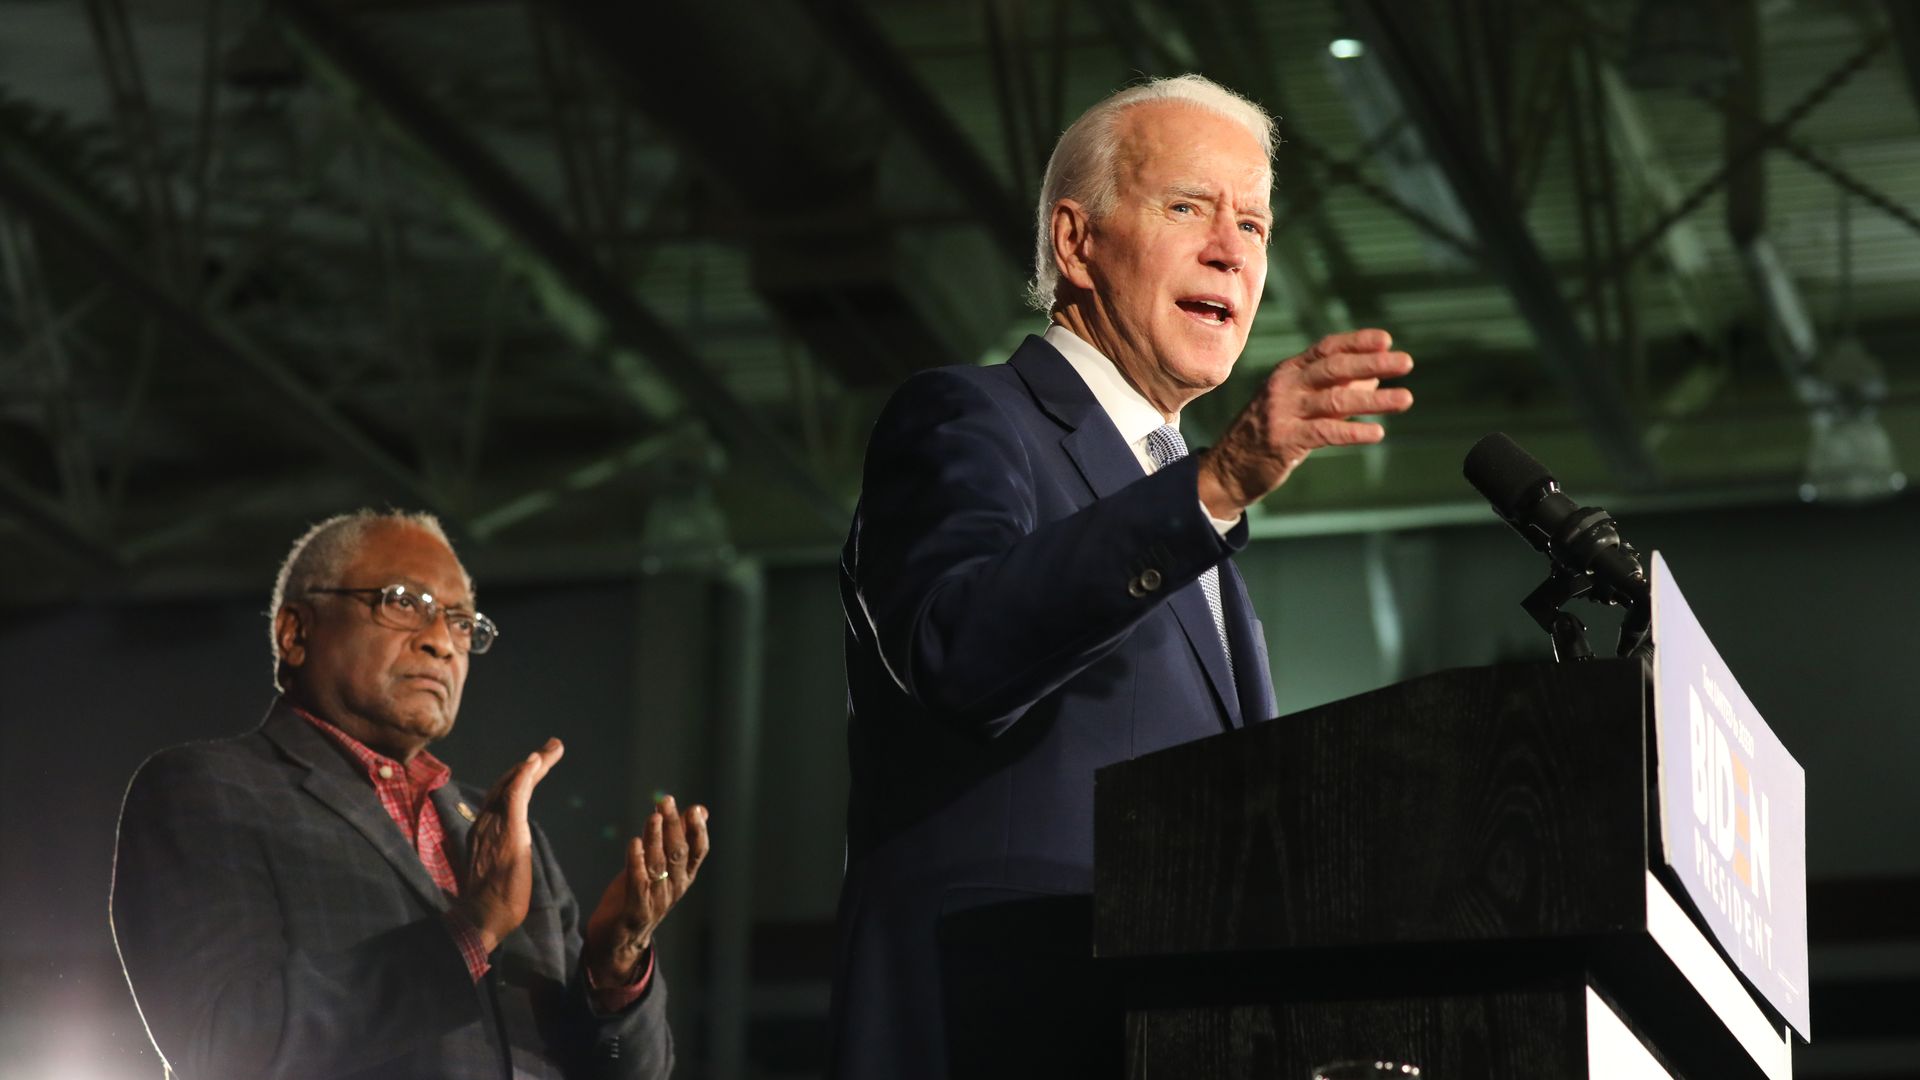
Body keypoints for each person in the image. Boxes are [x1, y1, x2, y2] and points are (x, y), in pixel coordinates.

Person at [828, 74, 1415, 1077]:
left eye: (1255, 224)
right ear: (1076, 243)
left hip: (1167, 1034)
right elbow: (955, 649)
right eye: (1189, 206)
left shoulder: (1189, 516)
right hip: (996, 1022)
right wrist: (1216, 484)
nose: (1232, 247)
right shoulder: (970, 420)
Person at [111, 509, 708, 1079]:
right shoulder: (210, 791)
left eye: (460, 621)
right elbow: (227, 1043)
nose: (442, 643)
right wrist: (472, 931)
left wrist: (616, 968)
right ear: (295, 633)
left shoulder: (505, 834)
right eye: (403, 603)